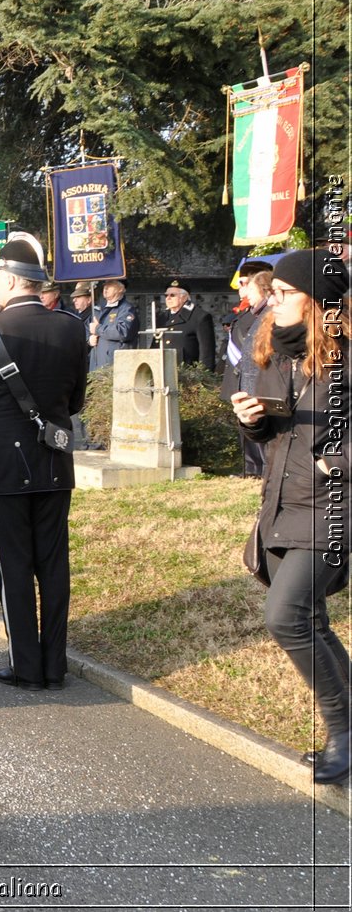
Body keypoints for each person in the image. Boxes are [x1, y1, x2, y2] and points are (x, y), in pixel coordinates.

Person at [231, 249, 350, 785]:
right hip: (280, 504)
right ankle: (347, 729)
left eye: (283, 293)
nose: (270, 300)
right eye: (272, 292)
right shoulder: (277, 355)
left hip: (331, 508)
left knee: (285, 616)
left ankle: (347, 734)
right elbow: (275, 432)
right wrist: (251, 421)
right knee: (311, 622)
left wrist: (338, 461)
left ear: (316, 302)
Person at [0, 238, 90, 691]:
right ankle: (54, 665)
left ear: (10, 281)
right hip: (53, 460)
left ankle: (24, 665)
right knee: (53, 565)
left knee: (12, 565)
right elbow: (75, 400)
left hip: (3, 467)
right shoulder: (71, 327)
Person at [220, 262, 274, 477]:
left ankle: (259, 470)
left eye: (246, 286)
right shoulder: (247, 314)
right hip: (242, 378)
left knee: (259, 425)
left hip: (257, 379)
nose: (243, 292)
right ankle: (250, 469)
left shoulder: (267, 314)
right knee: (246, 426)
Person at [159, 282, 216, 370]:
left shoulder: (199, 317)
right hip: (163, 369)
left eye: (172, 295)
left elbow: (206, 351)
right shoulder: (162, 317)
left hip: (187, 373)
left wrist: (203, 376)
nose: (168, 298)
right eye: (166, 295)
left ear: (184, 297)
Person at [88, 279, 139, 372]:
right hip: (97, 366)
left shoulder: (127, 309)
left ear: (120, 289)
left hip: (115, 367)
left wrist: (98, 329)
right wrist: (90, 340)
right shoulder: (99, 309)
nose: (105, 288)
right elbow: (90, 331)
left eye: (110, 285)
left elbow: (123, 332)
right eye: (104, 285)